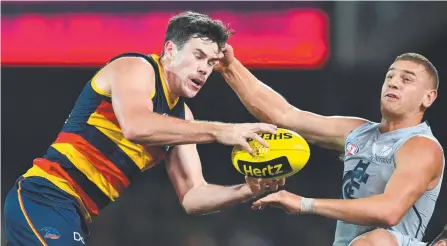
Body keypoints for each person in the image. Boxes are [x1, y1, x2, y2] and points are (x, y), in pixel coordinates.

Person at [3, 11, 284, 246]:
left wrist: (247, 189)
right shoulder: (136, 67)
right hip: (44, 196)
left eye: (211, 63)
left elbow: (193, 196)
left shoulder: (182, 117)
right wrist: (222, 131)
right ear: (170, 50)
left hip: (74, 213)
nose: (204, 69)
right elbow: (136, 126)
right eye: (198, 56)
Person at [217, 44, 444, 246]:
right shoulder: (358, 132)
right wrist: (230, 67)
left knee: (376, 240)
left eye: (407, 79)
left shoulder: (422, 147)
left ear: (428, 98)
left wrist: (304, 204)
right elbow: (284, 115)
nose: (394, 83)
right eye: (390, 77)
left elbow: (389, 211)